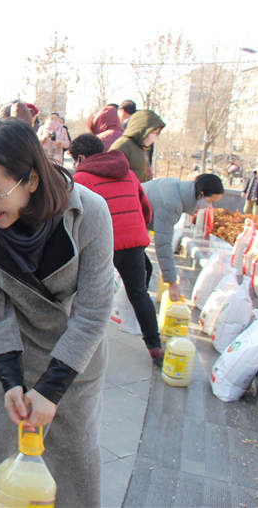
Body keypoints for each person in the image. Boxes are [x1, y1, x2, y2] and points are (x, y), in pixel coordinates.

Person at [0, 119, 114, 507]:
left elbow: (94, 310)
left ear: (31, 181)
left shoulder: (90, 213)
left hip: (74, 355)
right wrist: (9, 379)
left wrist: (52, 388)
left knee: (72, 467)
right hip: (9, 348)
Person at [70, 134, 162, 364]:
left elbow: (74, 217)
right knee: (139, 293)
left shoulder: (80, 179)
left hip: (102, 244)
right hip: (134, 241)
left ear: (80, 158)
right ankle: (155, 347)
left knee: (88, 296)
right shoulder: (128, 173)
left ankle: (81, 347)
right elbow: (146, 210)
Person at [142, 174, 224, 301]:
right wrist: (172, 283)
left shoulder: (176, 188)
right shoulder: (172, 203)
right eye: (210, 201)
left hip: (124, 221)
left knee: (143, 270)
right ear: (201, 194)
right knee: (141, 274)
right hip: (121, 223)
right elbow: (163, 244)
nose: (209, 205)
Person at [110, 109, 164, 182]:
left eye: (156, 133)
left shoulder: (141, 148)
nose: (154, 136)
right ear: (142, 129)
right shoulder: (123, 145)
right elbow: (112, 174)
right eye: (152, 132)